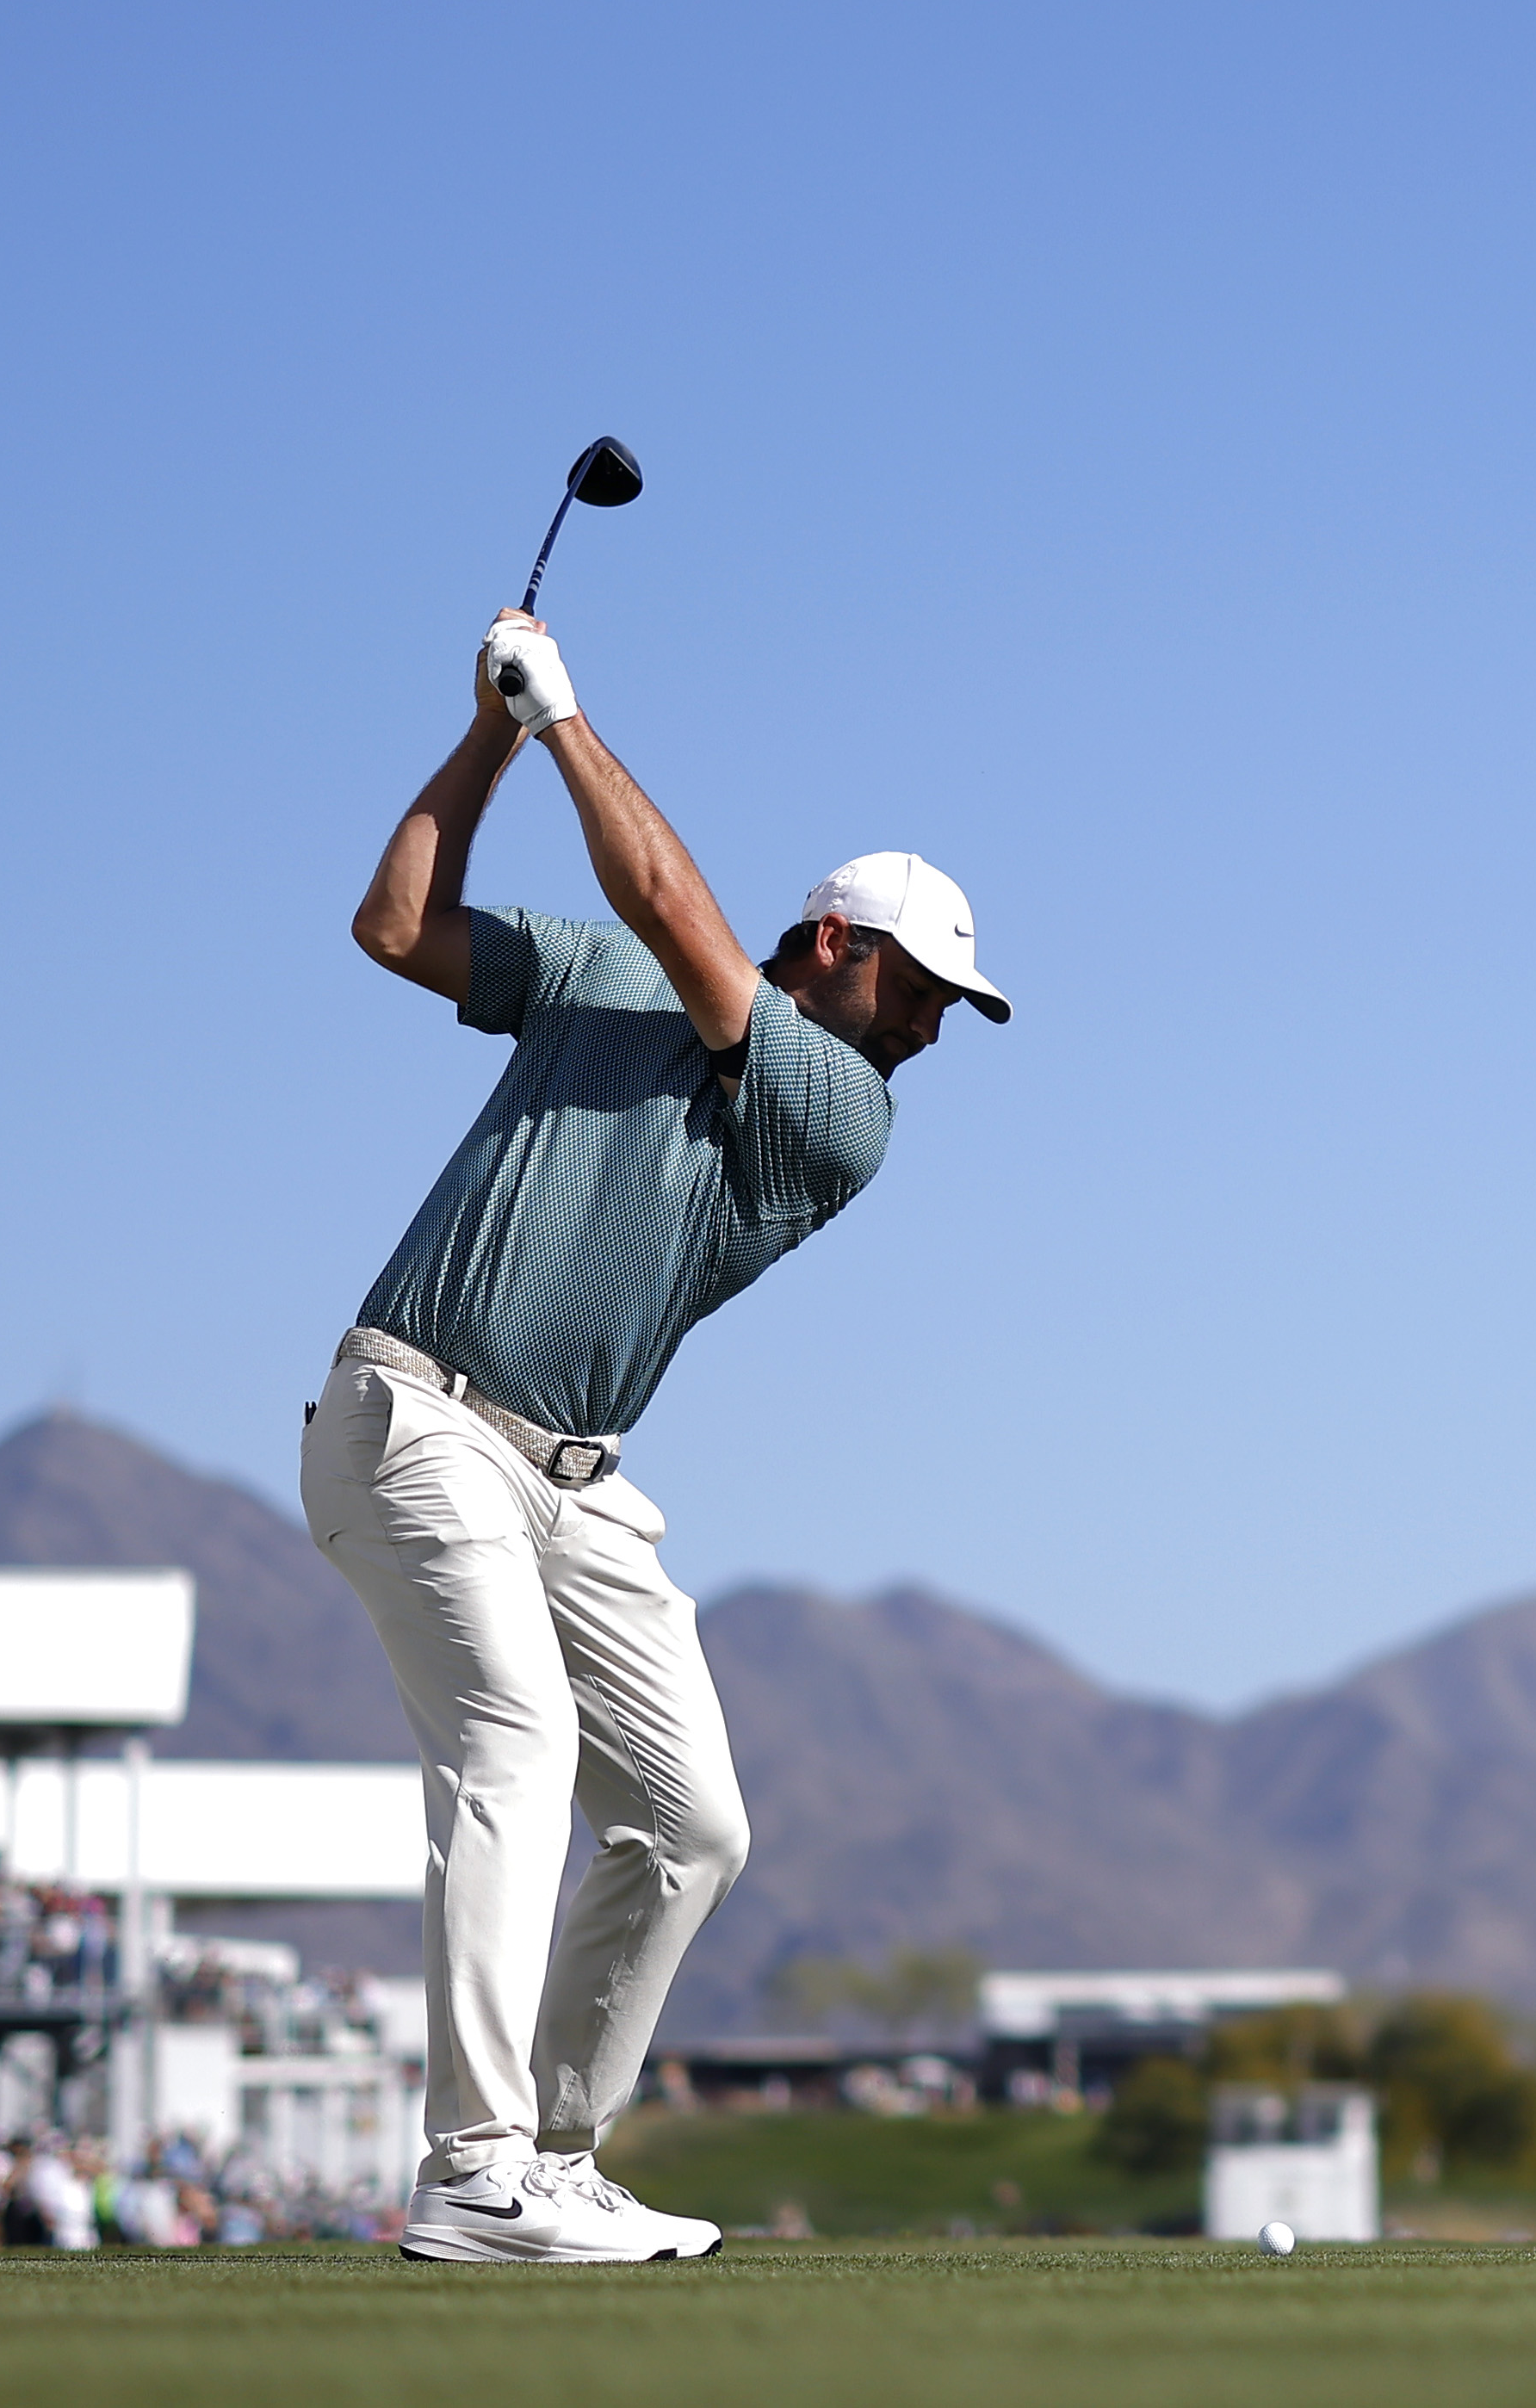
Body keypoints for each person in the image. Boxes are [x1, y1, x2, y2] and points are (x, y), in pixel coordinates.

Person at [302, 608, 1007, 2263]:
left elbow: (679, 922)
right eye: (917, 987)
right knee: (517, 1747)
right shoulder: (618, 970)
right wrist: (485, 732)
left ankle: (552, 2150)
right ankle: (475, 2164)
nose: (927, 1029)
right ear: (836, 938)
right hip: (414, 1411)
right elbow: (395, 926)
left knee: (693, 1825)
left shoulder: (840, 1117)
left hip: (575, 1476)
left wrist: (562, 719)